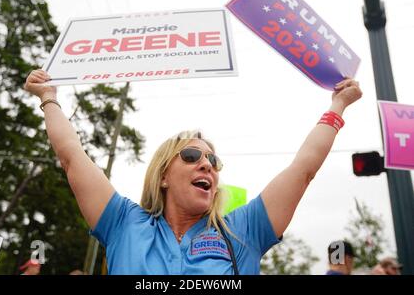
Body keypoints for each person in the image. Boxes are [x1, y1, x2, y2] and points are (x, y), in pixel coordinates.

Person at [24, 70, 362, 274]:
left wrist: (338, 105)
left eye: (213, 162)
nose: (206, 165)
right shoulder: (122, 223)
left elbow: (303, 169)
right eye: (190, 156)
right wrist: (49, 97)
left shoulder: (245, 230)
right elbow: (71, 156)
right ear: (163, 176)